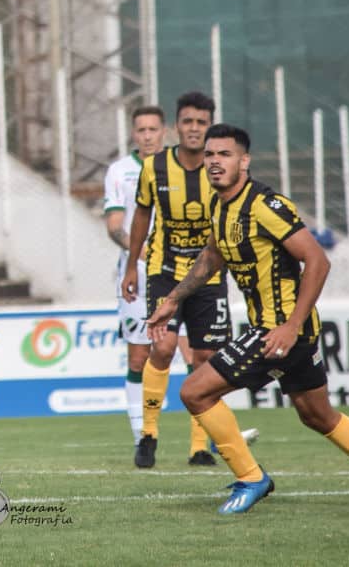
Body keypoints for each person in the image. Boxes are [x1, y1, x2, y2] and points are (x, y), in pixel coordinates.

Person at [149, 124, 349, 514]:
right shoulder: (219, 206)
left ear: (243, 161)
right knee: (317, 414)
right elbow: (213, 256)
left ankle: (251, 478)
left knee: (195, 392)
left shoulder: (265, 205)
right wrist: (173, 299)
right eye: (210, 155)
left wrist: (291, 325)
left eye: (225, 154)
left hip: (278, 331)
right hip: (283, 331)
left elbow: (317, 260)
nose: (215, 162)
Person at [121, 91, 230, 468]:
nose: (195, 129)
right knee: (164, 348)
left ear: (210, 126)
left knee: (205, 357)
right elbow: (140, 215)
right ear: (176, 127)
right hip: (163, 271)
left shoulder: (222, 168)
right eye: (188, 121)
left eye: (202, 122)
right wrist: (130, 266)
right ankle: (148, 436)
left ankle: (199, 446)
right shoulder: (156, 167)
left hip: (209, 276)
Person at [103, 106, 168, 448]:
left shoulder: (179, 168)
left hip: (179, 274)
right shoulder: (119, 171)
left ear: (164, 132)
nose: (147, 135)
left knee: (193, 353)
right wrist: (139, 252)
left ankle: (203, 444)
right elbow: (114, 226)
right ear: (133, 134)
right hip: (138, 274)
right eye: (140, 129)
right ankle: (143, 435)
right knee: (138, 356)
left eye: (152, 129)